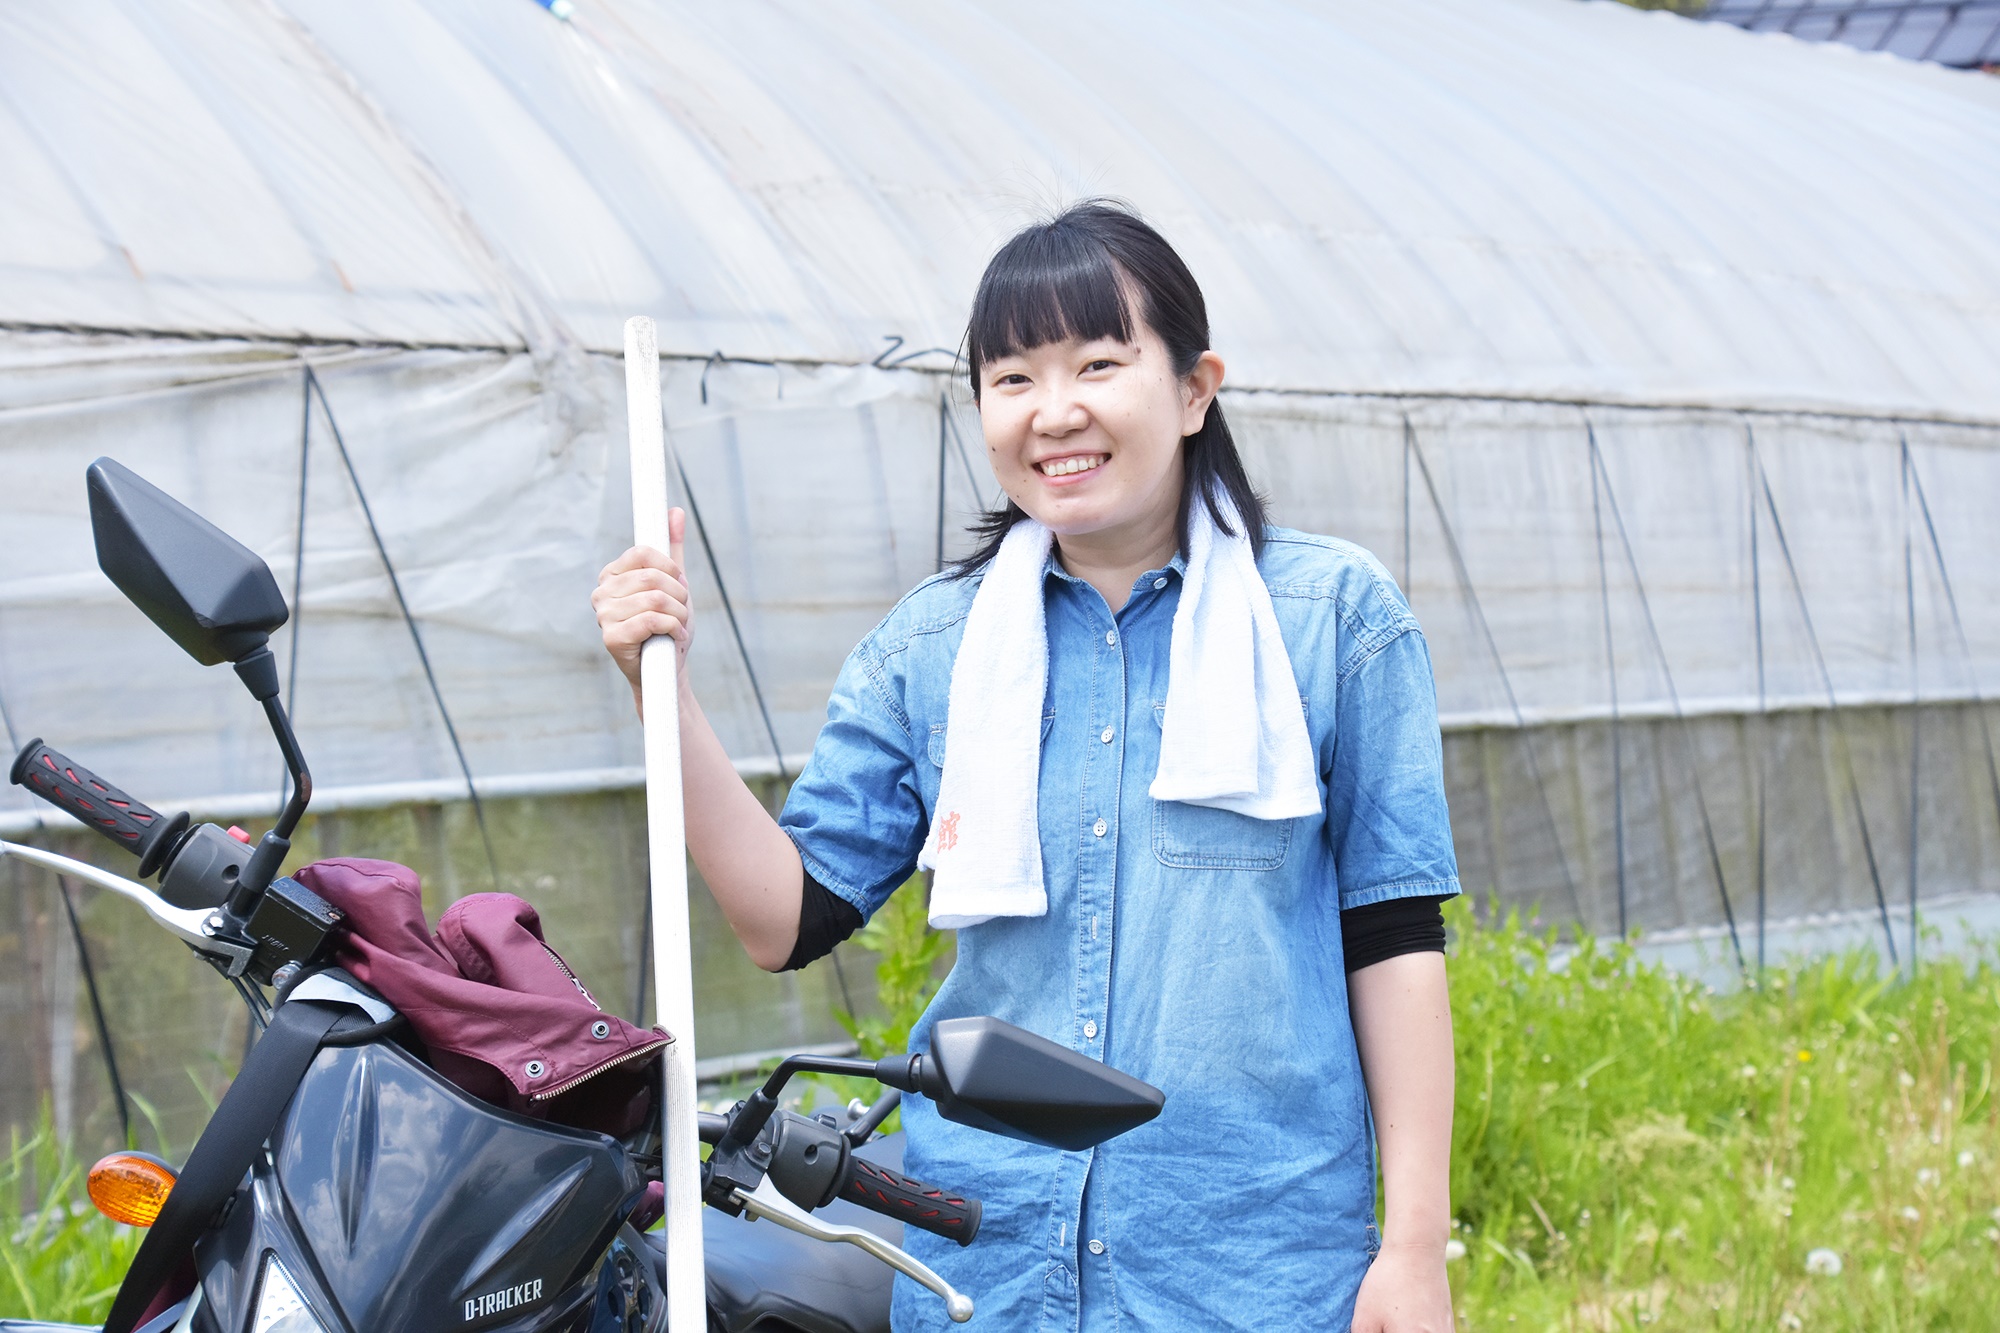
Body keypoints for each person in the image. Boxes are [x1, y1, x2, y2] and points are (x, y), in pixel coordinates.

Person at [593, 202, 1459, 1332]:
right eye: (1011, 378)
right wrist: (661, 685)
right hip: (988, 1264)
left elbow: (1391, 944)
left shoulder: (1331, 621)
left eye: (1098, 363)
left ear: (1195, 388)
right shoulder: (933, 647)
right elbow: (786, 918)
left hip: (1251, 1267)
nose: (1055, 413)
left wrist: (1411, 1249)